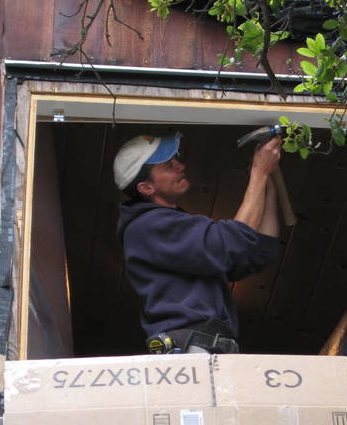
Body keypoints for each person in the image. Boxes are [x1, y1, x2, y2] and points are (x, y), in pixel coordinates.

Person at [114, 131, 281, 354]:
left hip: (206, 344)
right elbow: (233, 242)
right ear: (147, 188)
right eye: (167, 165)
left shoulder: (175, 229)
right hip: (189, 346)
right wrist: (259, 173)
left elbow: (260, 250)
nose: (180, 166)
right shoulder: (147, 226)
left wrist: (266, 181)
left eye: (175, 159)